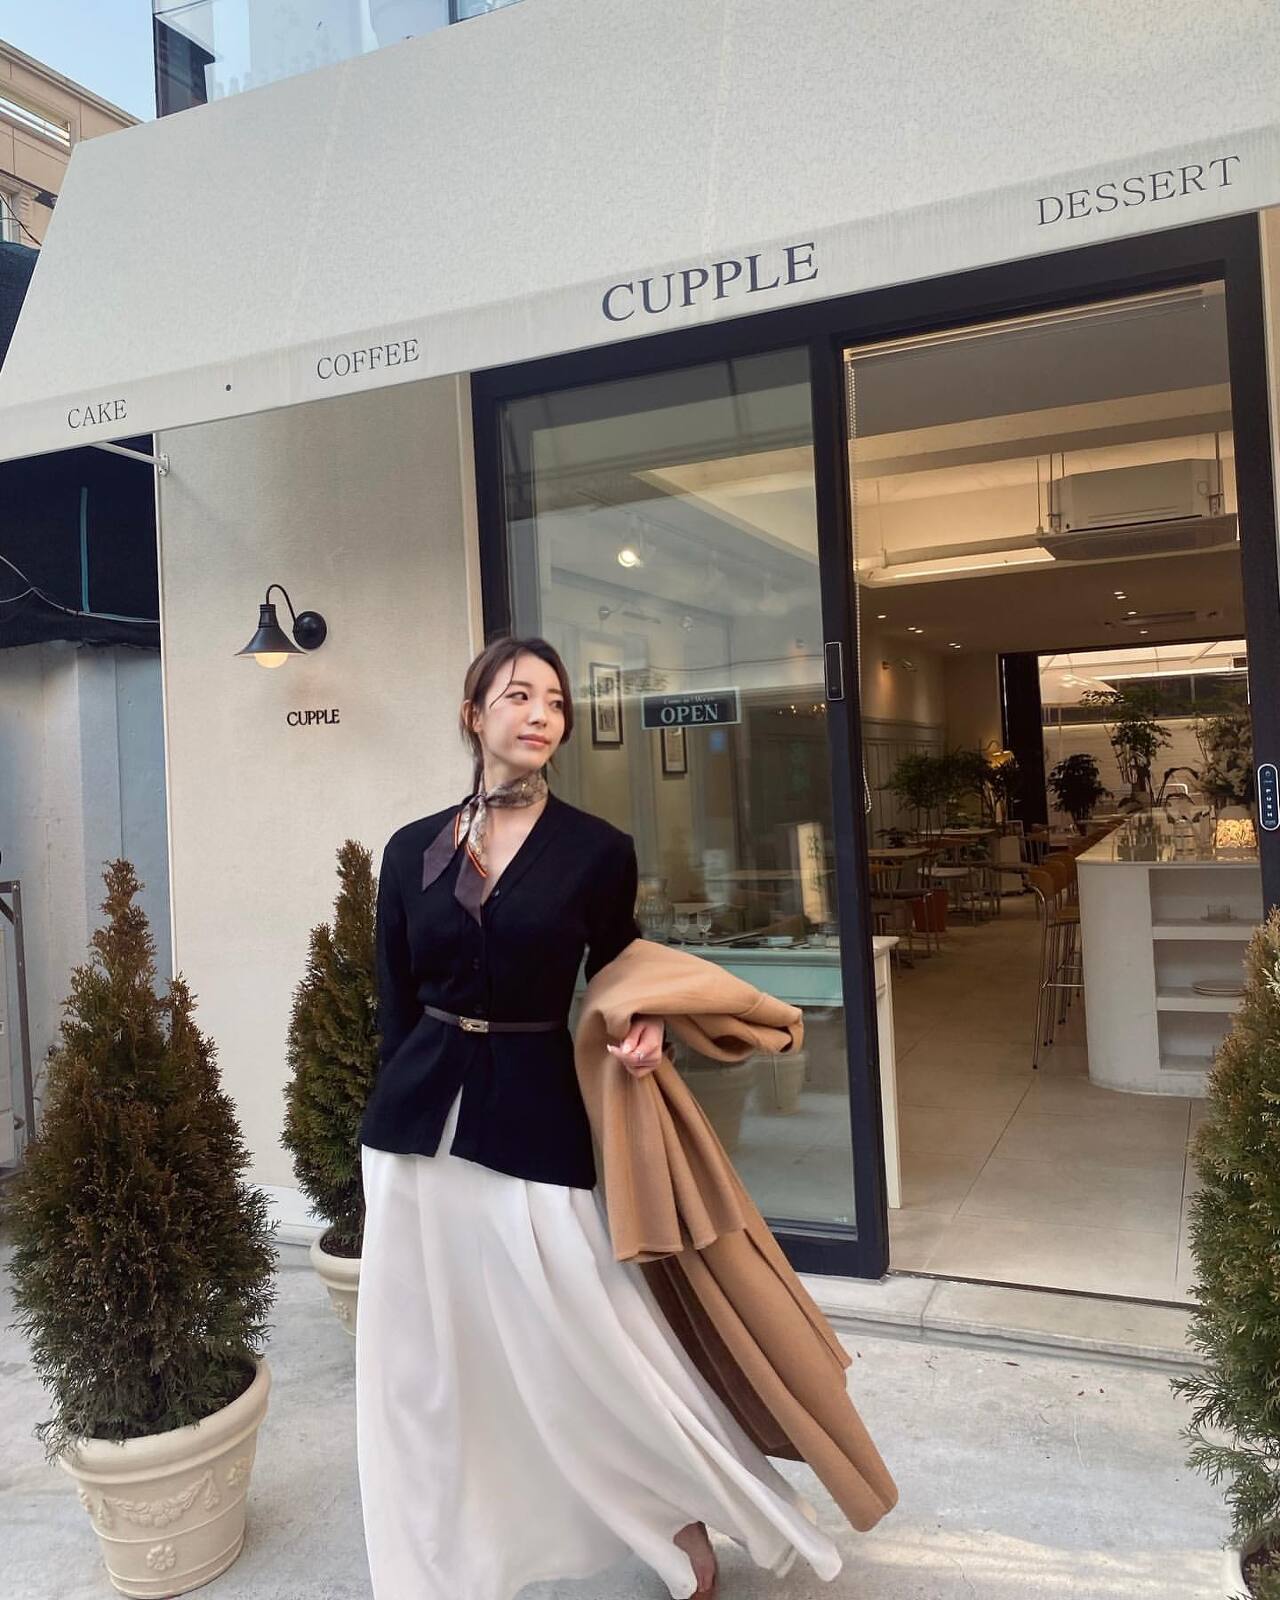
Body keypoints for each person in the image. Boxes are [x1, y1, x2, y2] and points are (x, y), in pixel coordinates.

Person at [355, 635, 843, 1600]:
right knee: (429, 1361)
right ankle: (444, 1548)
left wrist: (647, 1025)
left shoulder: (595, 850)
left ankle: (676, 1510)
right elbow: (396, 1000)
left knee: (586, 1337)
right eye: (517, 695)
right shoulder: (412, 849)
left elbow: (624, 972)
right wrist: (388, 1115)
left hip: (535, 1115)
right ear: (473, 715)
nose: (540, 714)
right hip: (415, 1133)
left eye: (555, 701)